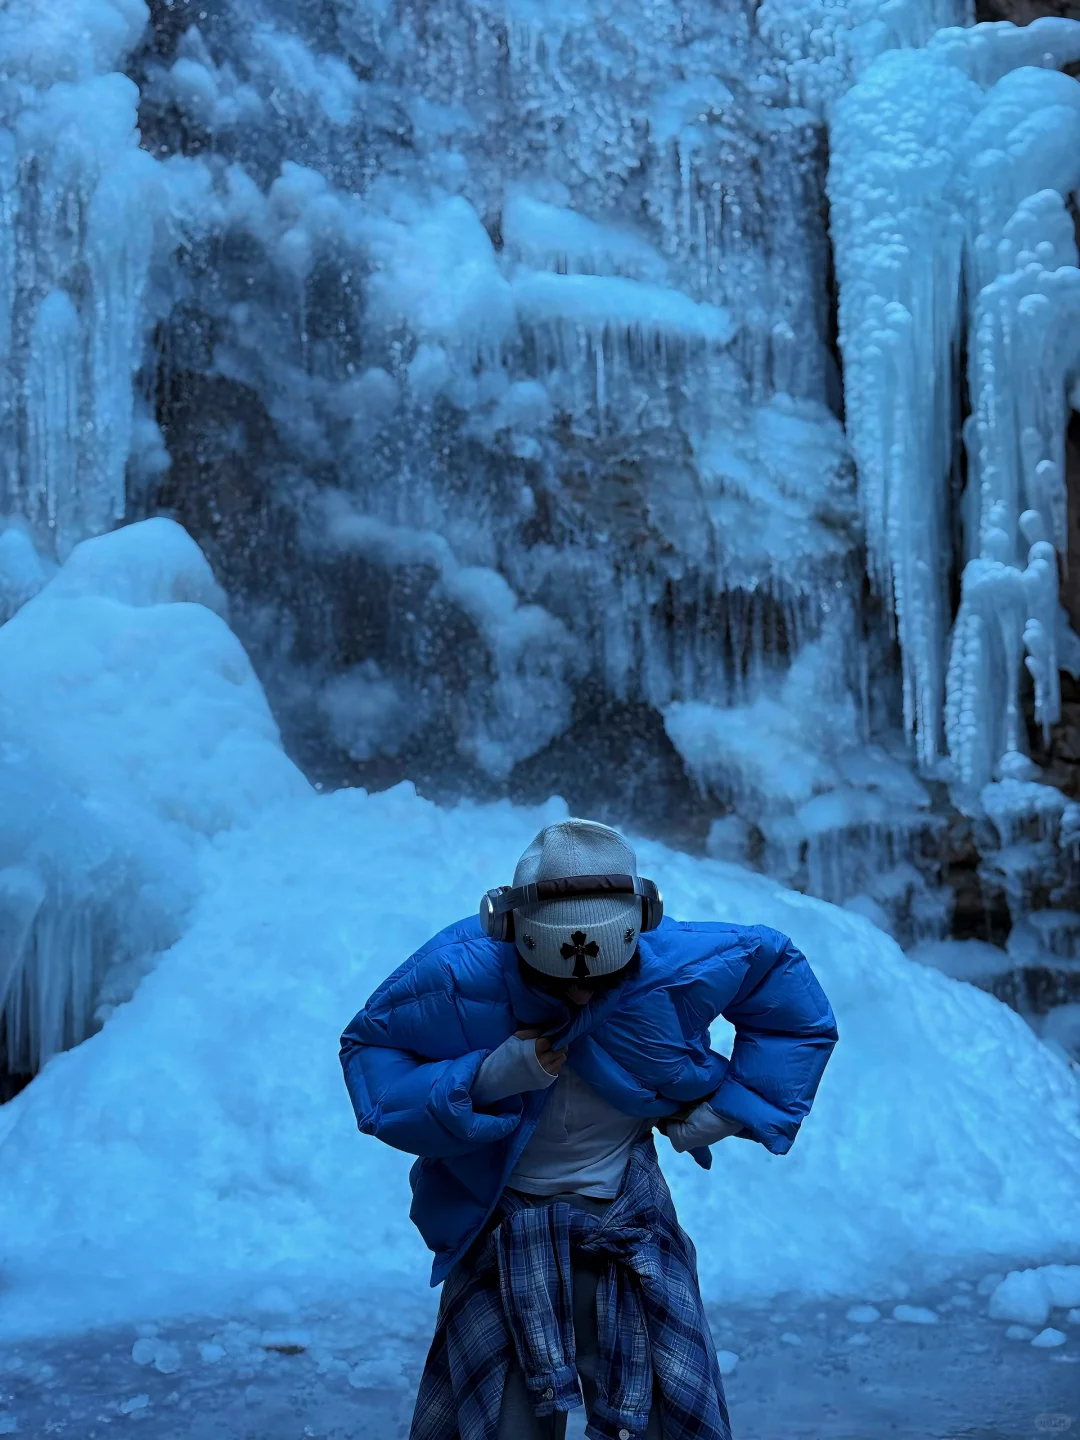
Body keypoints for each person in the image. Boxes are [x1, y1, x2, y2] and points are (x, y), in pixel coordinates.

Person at [340, 818, 838, 1440]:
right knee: (498, 1420)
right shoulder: (456, 973)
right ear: (508, 930)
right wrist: (488, 1078)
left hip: (630, 1221)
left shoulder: (685, 963)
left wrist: (733, 1108)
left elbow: (790, 1006)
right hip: (504, 1229)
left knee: (665, 1411)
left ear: (640, 927)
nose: (578, 995)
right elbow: (370, 1057)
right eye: (554, 977)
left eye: (597, 977)